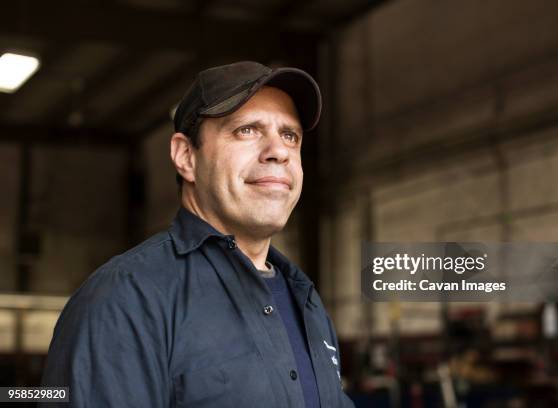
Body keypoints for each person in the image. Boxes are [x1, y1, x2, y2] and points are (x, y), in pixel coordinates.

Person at [40, 61, 355, 408]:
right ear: (186, 156)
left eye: (290, 136)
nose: (278, 151)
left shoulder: (304, 300)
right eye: (247, 130)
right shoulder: (125, 299)